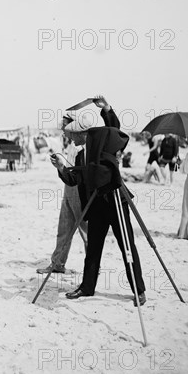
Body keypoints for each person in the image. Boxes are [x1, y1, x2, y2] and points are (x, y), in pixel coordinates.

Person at [51, 97, 146, 306]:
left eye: (71, 134)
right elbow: (75, 179)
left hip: (115, 202)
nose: (69, 138)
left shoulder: (103, 143)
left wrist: (107, 109)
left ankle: (138, 290)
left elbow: (116, 131)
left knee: (127, 247)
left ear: (80, 132)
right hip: (96, 206)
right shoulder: (79, 156)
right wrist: (61, 168)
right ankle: (87, 287)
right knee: (93, 249)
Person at [37, 113, 88, 274]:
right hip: (69, 185)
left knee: (85, 229)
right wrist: (61, 166)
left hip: (78, 188)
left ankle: (93, 265)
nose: (63, 129)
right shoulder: (73, 144)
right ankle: (58, 263)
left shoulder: (83, 145)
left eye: (65, 126)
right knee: (64, 227)